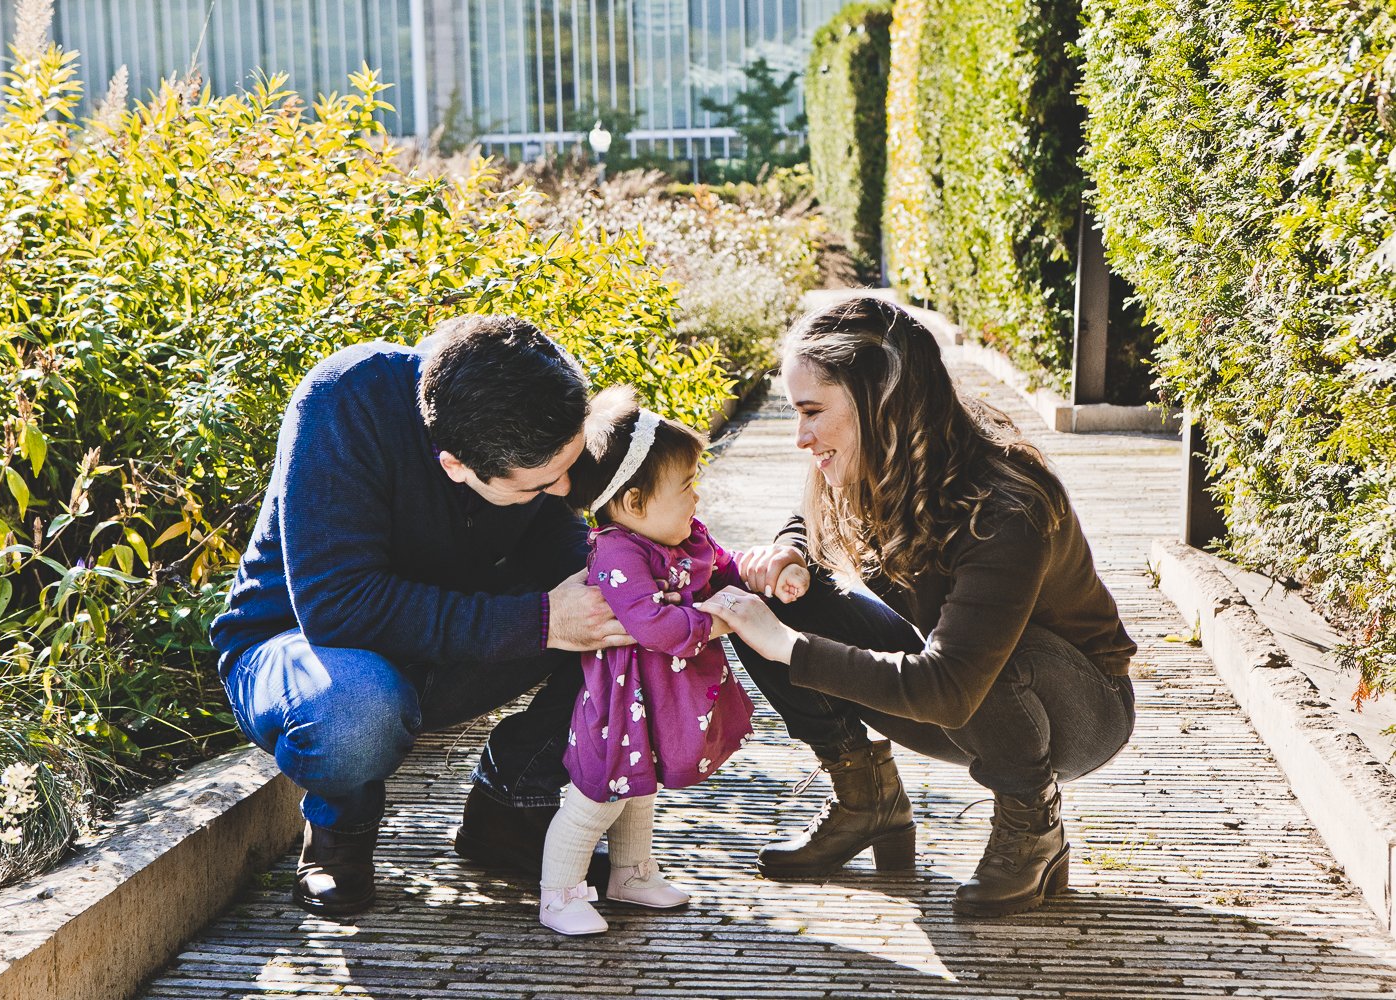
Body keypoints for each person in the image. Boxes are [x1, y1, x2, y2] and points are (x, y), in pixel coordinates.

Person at [698, 296, 1137, 918]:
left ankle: (1030, 824)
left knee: (995, 658)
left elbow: (950, 688)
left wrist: (786, 647)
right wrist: (789, 554)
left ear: (880, 404)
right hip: (963, 695)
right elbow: (808, 519)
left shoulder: (1006, 505)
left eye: (813, 412)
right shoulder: (874, 455)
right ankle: (866, 799)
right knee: (758, 599)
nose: (801, 437)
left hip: (1078, 710)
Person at [210, 315, 631, 917]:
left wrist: (603, 585)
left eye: (570, 464)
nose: (567, 491)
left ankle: (510, 809)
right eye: (540, 484)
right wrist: (542, 621)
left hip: (436, 644)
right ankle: (339, 834)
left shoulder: (516, 403)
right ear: (456, 465)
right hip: (305, 652)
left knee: (621, 615)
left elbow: (551, 536)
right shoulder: (344, 402)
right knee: (357, 710)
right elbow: (338, 607)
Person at [535, 387, 808, 935]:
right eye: (685, 486)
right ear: (634, 503)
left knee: (641, 787)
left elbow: (721, 567)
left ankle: (632, 874)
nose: (696, 499)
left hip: (656, 699)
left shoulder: (681, 535)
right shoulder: (617, 552)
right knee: (597, 797)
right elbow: (653, 625)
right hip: (620, 704)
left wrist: (764, 575)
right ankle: (558, 894)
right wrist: (720, 621)